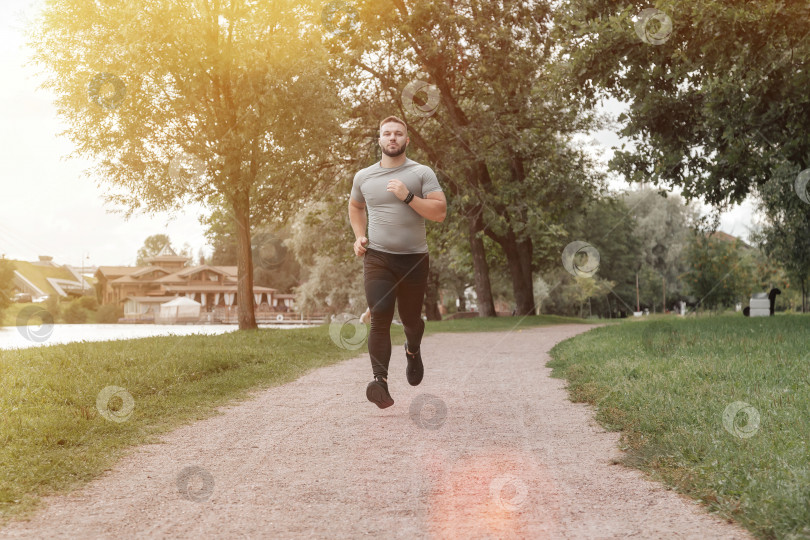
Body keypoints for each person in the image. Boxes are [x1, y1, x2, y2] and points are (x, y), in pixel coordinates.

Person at [348, 116, 447, 409]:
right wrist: (358, 236)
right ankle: (380, 382)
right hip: (377, 257)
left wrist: (408, 197)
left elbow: (439, 212)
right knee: (380, 318)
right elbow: (355, 206)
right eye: (387, 134)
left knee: (410, 319)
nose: (392, 138)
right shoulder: (363, 177)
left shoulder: (421, 173)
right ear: (379, 140)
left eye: (398, 134)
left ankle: (412, 350)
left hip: (414, 260)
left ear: (406, 140)